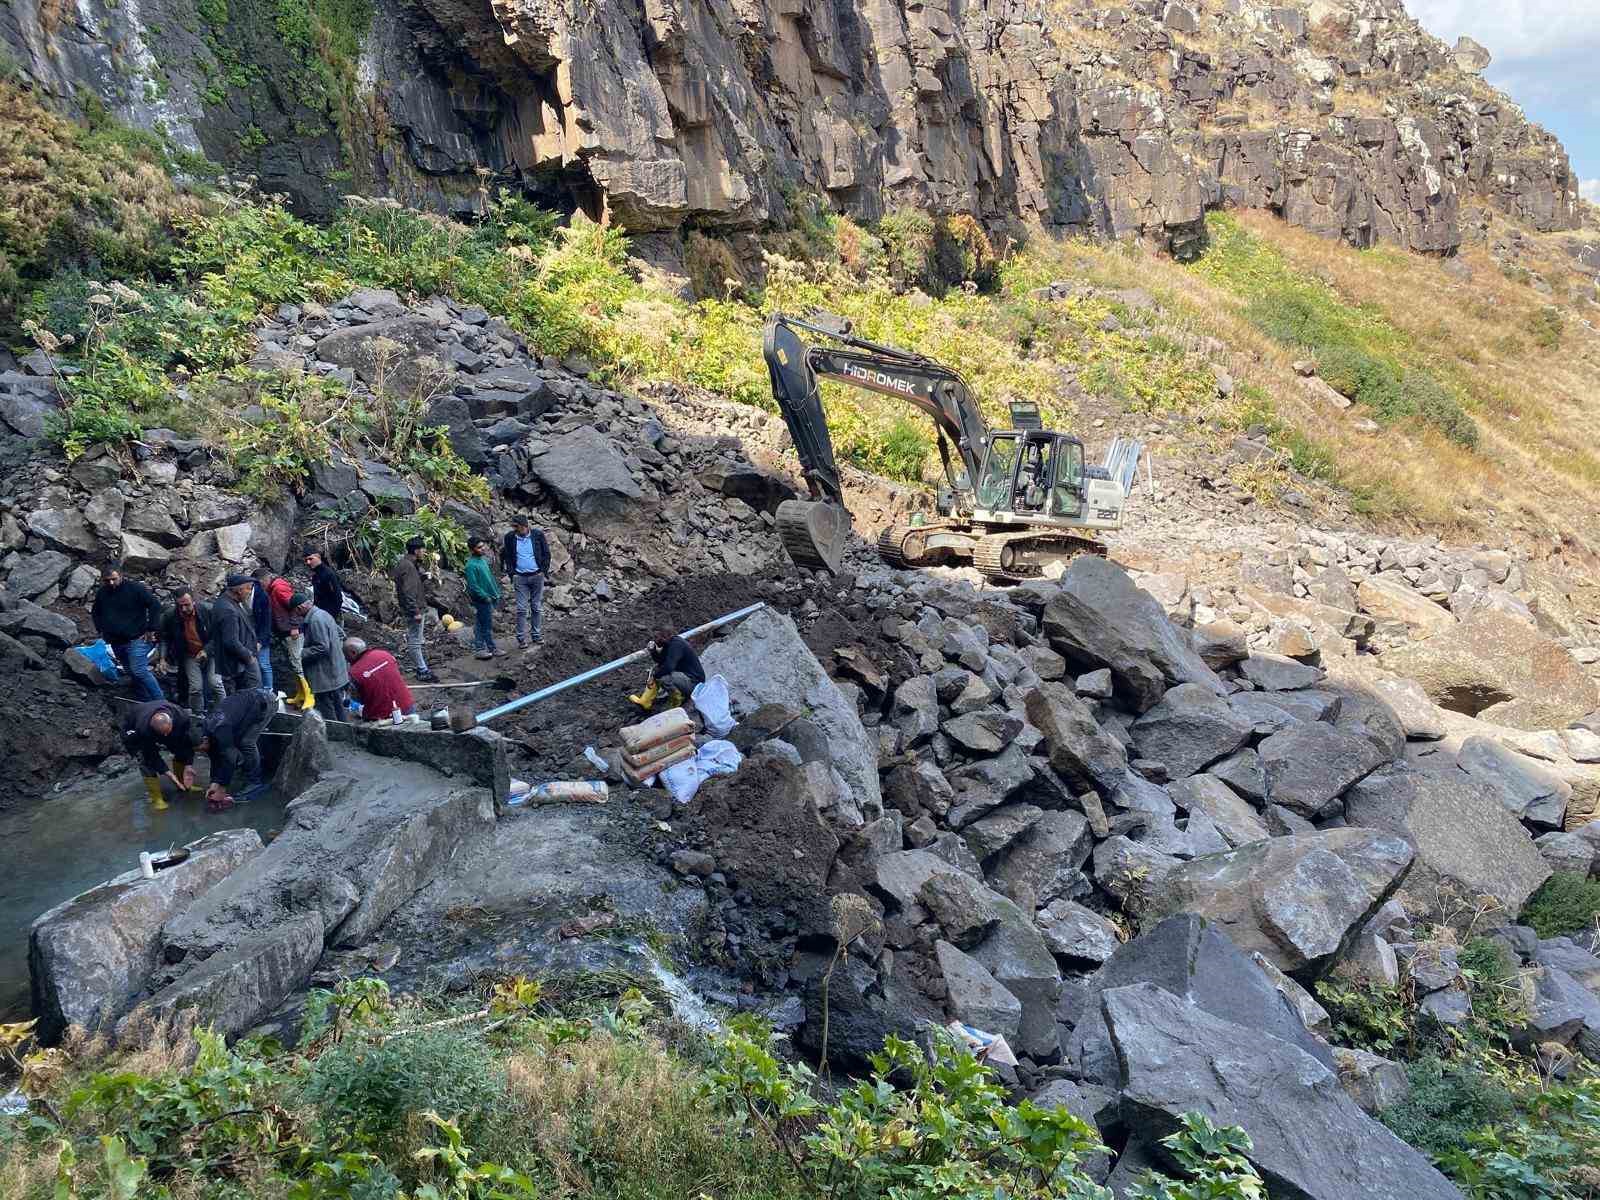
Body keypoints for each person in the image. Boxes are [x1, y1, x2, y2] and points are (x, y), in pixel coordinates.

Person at [91, 564, 166, 702]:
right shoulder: (103, 593)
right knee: (131, 671)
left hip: (137, 638)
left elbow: (155, 605)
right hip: (116, 640)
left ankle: (161, 702)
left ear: (121, 576)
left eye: (114, 579)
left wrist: (151, 628)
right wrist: (101, 629)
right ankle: (144, 699)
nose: (111, 583)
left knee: (138, 670)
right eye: (107, 580)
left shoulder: (135, 589)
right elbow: (96, 611)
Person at [197, 687, 273, 810]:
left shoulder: (219, 729)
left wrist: (222, 788)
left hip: (265, 701)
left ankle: (255, 782)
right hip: (247, 704)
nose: (201, 751)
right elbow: (215, 756)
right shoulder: (207, 729)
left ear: (204, 740)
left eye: (201, 748)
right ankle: (243, 768)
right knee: (227, 746)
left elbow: (230, 756)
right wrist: (214, 783)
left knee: (245, 742)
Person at [120, 700, 195, 811]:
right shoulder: (143, 729)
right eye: (162, 734)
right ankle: (156, 798)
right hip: (133, 731)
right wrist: (168, 773)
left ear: (172, 722)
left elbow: (187, 742)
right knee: (146, 761)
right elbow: (151, 754)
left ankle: (183, 783)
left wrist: (189, 764)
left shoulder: (182, 717)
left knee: (181, 748)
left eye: (167, 732)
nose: (165, 736)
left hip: (163, 722)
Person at [159, 588, 223, 718]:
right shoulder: (170, 616)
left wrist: (206, 650)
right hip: (189, 654)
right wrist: (162, 658)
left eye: (186, 605)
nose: (183, 609)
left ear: (194, 601)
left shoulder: (207, 610)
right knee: (195, 688)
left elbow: (218, 635)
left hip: (212, 652)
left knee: (215, 683)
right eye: (180, 605)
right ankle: (197, 715)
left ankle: (222, 712)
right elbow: (165, 638)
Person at [255, 565, 310, 707]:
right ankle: (300, 694)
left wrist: (295, 626)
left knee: (297, 663)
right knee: (293, 663)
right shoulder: (272, 588)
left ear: (264, 580)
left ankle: (308, 696)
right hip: (284, 631)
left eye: (259, 584)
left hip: (292, 633)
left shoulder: (279, 588)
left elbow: (295, 606)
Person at [294, 592, 350, 722]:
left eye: (295, 612)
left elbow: (322, 647)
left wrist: (300, 653)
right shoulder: (323, 614)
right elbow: (341, 634)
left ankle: (336, 738)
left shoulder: (315, 620)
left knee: (328, 711)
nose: (296, 615)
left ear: (299, 608)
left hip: (325, 675)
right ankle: (346, 734)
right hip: (334, 672)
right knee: (338, 707)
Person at [391, 537, 438, 682]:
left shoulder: (406, 564)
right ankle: (422, 669)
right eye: (423, 549)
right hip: (414, 609)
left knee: (416, 638)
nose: (424, 552)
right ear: (416, 550)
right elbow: (408, 591)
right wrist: (415, 611)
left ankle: (420, 666)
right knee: (415, 639)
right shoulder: (409, 567)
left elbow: (409, 585)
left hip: (412, 607)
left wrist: (422, 577)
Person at [500, 516, 549, 649]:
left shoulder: (538, 535)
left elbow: (546, 553)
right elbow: (507, 556)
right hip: (520, 577)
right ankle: (521, 638)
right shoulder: (510, 537)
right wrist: (512, 574)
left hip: (537, 576)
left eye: (516, 527)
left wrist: (543, 571)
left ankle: (536, 635)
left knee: (536, 607)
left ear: (524, 526)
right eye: (513, 527)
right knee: (521, 609)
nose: (514, 529)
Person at [630, 624, 705, 710]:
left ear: (665, 637)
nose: (654, 640)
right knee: (657, 669)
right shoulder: (668, 644)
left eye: (656, 637)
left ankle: (676, 700)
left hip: (695, 683)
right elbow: (661, 661)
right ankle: (645, 701)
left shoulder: (676, 645)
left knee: (663, 677)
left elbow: (668, 667)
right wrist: (653, 652)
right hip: (685, 678)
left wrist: (653, 677)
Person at [212, 574, 263, 694]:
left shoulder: (228, 603)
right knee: (249, 699)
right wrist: (249, 656)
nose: (250, 592)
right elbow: (230, 641)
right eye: (248, 588)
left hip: (238, 664)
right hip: (238, 665)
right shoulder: (227, 609)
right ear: (239, 590)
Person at [343, 637, 415, 721]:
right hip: (407, 707)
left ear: (353, 653)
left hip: (382, 718)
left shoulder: (354, 673)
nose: (345, 659)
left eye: (345, 655)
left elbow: (358, 700)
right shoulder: (385, 654)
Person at [463, 539, 502, 660]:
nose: (483, 548)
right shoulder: (471, 565)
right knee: (485, 625)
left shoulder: (483, 561)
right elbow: (473, 586)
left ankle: (485, 648)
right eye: (479, 547)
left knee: (481, 623)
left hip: (490, 597)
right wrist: (485, 597)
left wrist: (495, 593)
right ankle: (485, 648)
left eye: (483, 546)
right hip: (482, 600)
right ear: (472, 550)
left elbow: (489, 579)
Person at [304, 547, 344, 625]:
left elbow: (337, 597)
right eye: (306, 560)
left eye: (310, 559)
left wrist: (330, 616)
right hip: (320, 614)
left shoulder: (328, 574)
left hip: (329, 614)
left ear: (318, 557)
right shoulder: (316, 575)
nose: (308, 562)